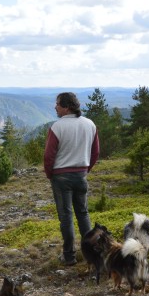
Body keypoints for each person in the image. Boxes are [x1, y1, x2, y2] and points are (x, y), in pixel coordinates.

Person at [44, 92, 100, 266]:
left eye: (57, 104)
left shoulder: (57, 127)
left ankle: (69, 256)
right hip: (81, 175)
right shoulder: (90, 124)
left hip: (61, 177)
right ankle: (91, 253)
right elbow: (95, 152)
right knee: (83, 214)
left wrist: (50, 174)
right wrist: (85, 170)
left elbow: (48, 156)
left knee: (66, 216)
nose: (55, 107)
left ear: (66, 107)